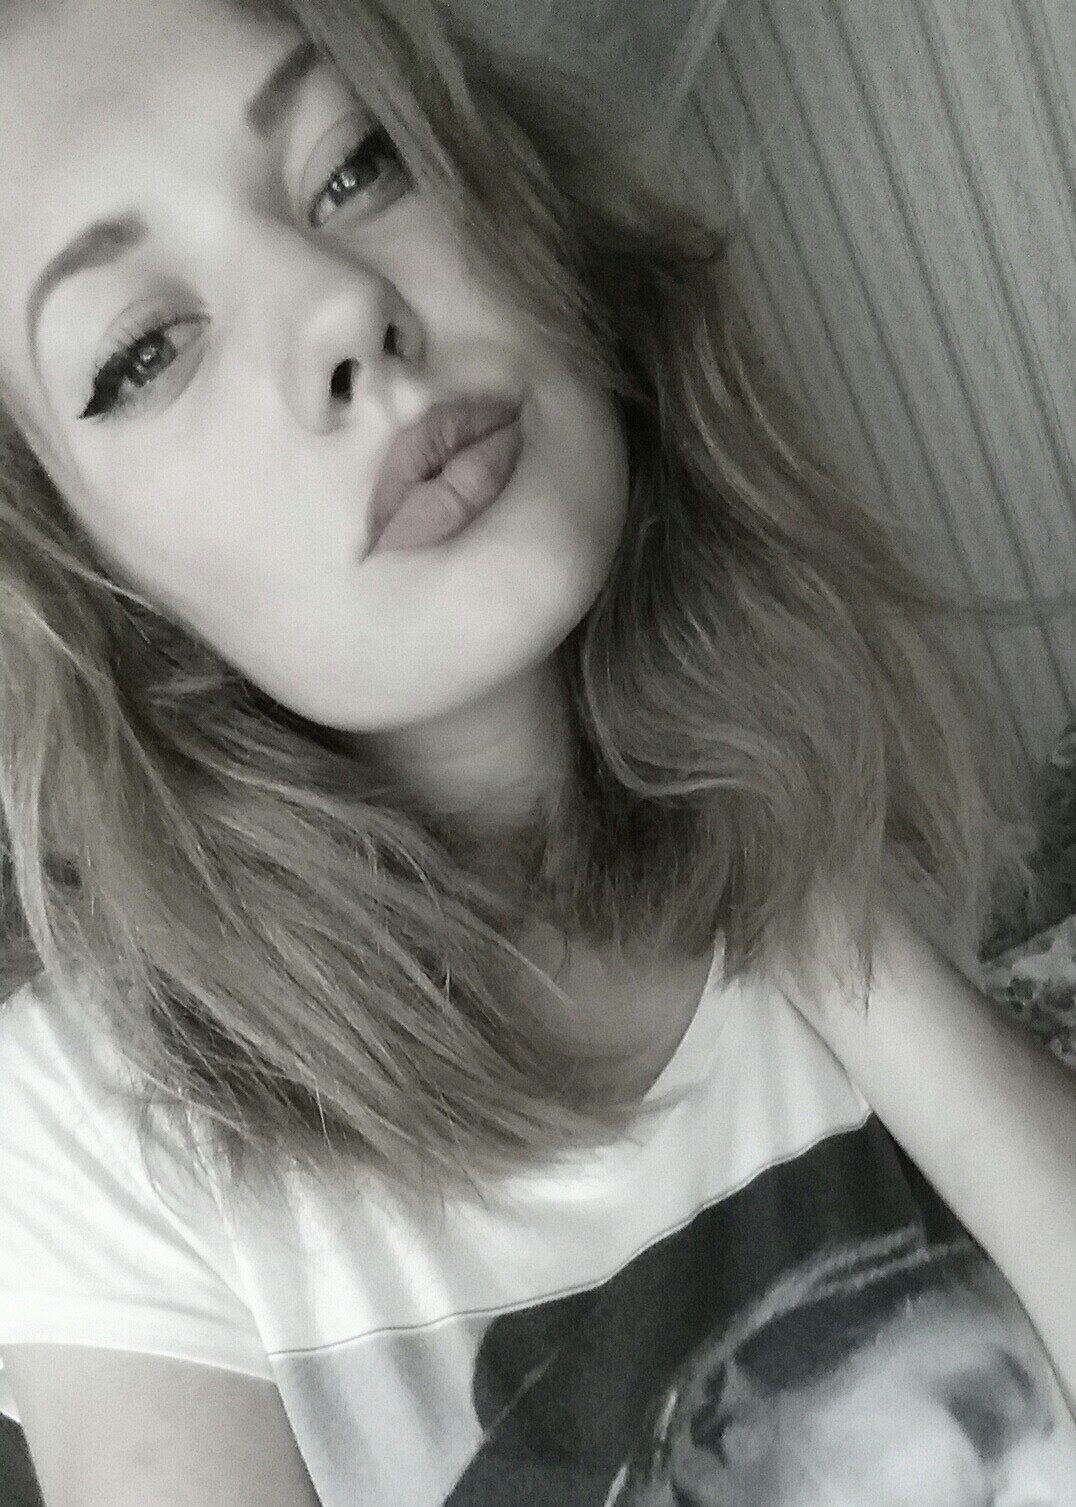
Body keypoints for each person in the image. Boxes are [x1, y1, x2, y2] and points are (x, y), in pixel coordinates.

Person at [0, 0, 1072, 1502]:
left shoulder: (804, 798)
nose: (344, 307)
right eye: (141, 353)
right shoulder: (97, 1126)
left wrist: (811, 864)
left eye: (357, 164)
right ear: (86, 585)